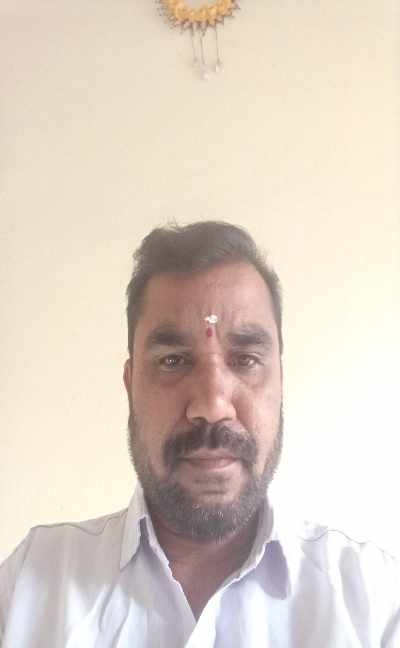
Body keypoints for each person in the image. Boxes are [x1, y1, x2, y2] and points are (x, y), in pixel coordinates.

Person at [0, 221, 399, 647]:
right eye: (172, 360)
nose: (212, 405)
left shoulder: (374, 603)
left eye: (245, 359)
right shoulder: (31, 586)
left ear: (281, 383)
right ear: (130, 386)